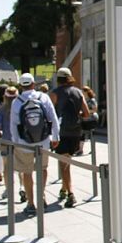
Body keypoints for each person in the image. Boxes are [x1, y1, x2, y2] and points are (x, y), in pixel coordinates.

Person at [11, 73, 60, 215]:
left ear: (21, 85)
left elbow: (14, 124)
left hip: (24, 142)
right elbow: (52, 117)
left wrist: (16, 142)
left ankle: (31, 202)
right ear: (34, 84)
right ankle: (42, 196)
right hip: (43, 140)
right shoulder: (43, 97)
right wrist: (55, 136)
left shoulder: (17, 101)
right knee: (42, 169)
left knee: (27, 172)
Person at [50, 67, 90, 208]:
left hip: (62, 132)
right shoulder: (79, 92)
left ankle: (71, 193)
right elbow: (86, 114)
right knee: (66, 161)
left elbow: (50, 114)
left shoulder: (54, 93)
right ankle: (63, 188)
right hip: (76, 132)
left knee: (64, 164)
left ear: (58, 79)